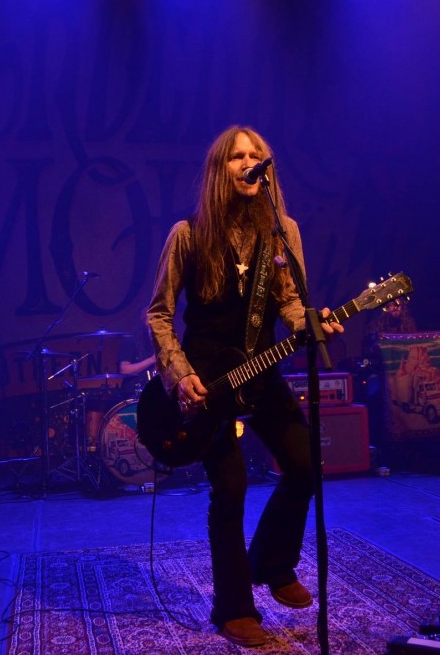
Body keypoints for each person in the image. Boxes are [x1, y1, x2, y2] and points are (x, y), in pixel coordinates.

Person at [146, 126, 343, 647]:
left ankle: (272, 563)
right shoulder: (188, 234)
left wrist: (310, 324)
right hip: (207, 379)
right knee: (230, 489)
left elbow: (290, 302)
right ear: (220, 169)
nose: (249, 162)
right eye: (237, 156)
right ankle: (234, 608)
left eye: (257, 155)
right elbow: (159, 313)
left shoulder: (281, 231)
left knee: (306, 466)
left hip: (261, 367)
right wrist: (180, 374)